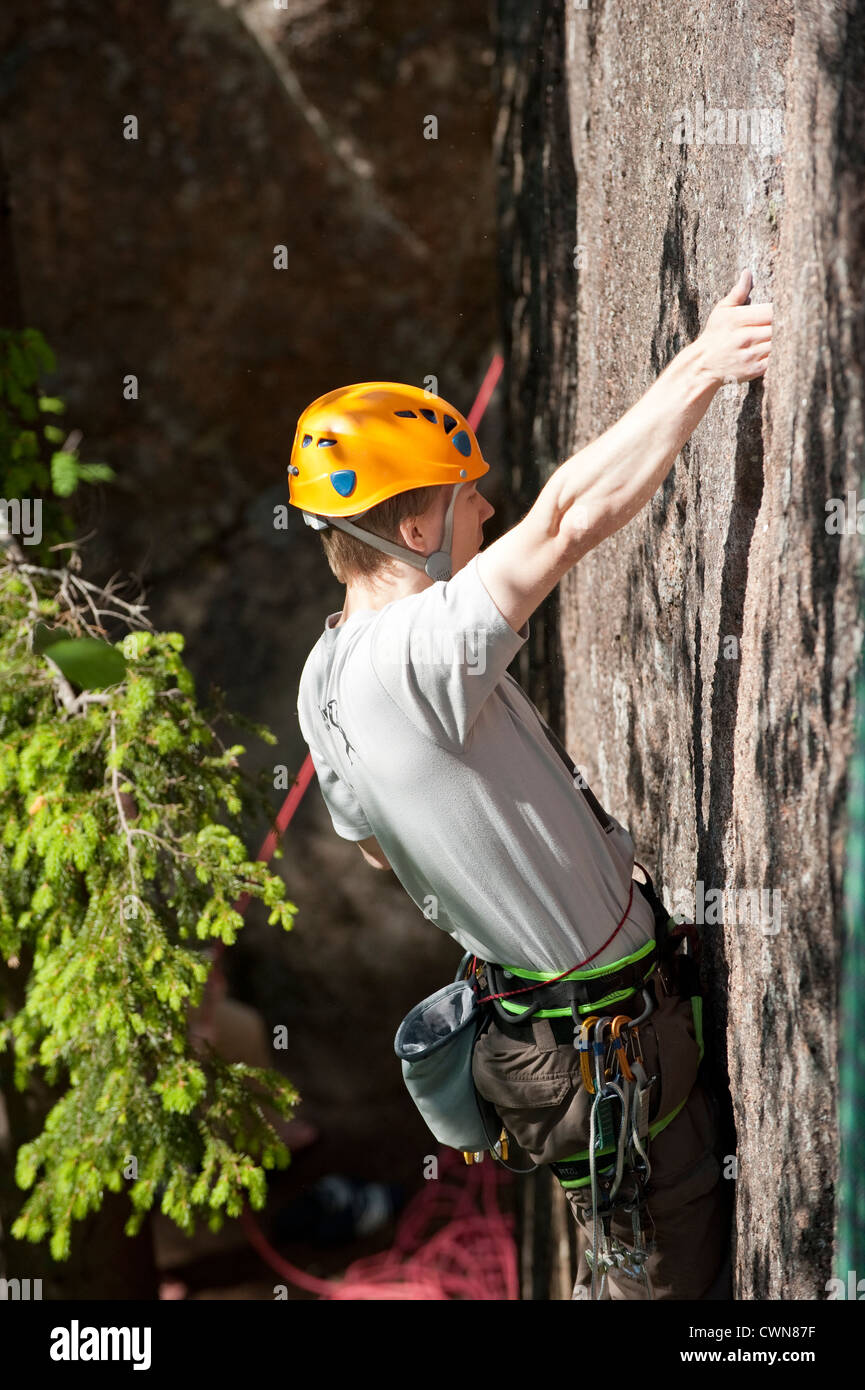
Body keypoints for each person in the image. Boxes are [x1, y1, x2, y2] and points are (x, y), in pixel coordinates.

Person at [290, 270, 772, 1299]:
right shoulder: (412, 657)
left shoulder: (324, 676)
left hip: (557, 1044)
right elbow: (562, 518)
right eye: (469, 500)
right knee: (673, 1277)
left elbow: (375, 840)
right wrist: (703, 363)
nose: (489, 509)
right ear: (414, 532)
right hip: (604, 1055)